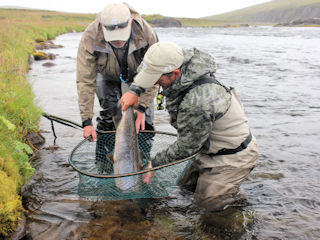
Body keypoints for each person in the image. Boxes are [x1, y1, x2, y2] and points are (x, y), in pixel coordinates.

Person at [120, 42, 258, 212]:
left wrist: (154, 164)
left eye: (157, 78)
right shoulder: (176, 59)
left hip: (232, 155)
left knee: (208, 205)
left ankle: (237, 204)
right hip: (204, 147)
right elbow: (146, 68)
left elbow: (187, 146)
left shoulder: (198, 101)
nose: (154, 82)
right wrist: (134, 91)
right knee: (185, 188)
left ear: (175, 74)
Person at [76, 2, 159, 142]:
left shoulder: (146, 33)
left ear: (130, 22)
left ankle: (143, 159)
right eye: (113, 37)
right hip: (106, 74)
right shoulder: (90, 36)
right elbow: (85, 80)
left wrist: (142, 106)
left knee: (143, 120)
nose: (118, 40)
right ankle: (107, 157)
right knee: (110, 114)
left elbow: (154, 72)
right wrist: (86, 121)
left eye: (121, 35)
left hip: (140, 76)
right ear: (102, 26)